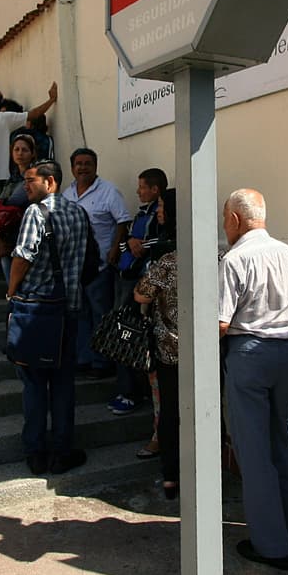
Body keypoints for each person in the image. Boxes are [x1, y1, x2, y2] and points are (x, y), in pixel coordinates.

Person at [220, 188, 288, 572]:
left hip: (250, 353)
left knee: (254, 450)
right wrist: (284, 327)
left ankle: (272, 545)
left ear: (234, 219)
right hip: (286, 352)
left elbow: (222, 322)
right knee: (284, 437)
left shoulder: (234, 259)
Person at [7, 159, 92, 475]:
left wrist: (11, 290)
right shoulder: (78, 213)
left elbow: (23, 256)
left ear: (51, 182)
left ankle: (35, 450)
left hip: (37, 309)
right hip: (69, 308)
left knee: (33, 383)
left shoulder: (36, 212)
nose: (26, 185)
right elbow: (86, 259)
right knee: (63, 384)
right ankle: (61, 450)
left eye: (32, 180)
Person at [63, 148, 131, 379]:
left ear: (96, 166)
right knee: (80, 314)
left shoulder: (108, 191)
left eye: (88, 163)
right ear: (72, 167)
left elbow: (123, 221)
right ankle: (84, 358)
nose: (83, 167)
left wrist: (114, 250)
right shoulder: (67, 194)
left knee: (101, 315)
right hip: (75, 267)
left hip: (100, 265)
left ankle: (102, 363)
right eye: (79, 163)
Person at [132, 188, 180, 499]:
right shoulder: (215, 253)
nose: (158, 210)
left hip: (169, 350)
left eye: (162, 205)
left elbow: (141, 294)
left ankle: (172, 476)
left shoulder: (166, 258)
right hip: (207, 348)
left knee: (170, 412)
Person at [109, 168, 168, 415]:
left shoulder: (162, 216)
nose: (138, 191)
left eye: (142, 187)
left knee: (131, 336)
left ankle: (133, 392)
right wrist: (131, 243)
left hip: (143, 286)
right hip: (125, 280)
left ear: (155, 190)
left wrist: (140, 244)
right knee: (121, 335)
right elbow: (125, 243)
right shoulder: (139, 214)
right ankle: (129, 388)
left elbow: (162, 243)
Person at [0, 134, 38, 283]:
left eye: (25, 150)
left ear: (32, 153)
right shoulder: (12, 177)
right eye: (17, 149)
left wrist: (3, 204)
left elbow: (13, 201)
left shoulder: (34, 176)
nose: (20, 153)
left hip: (26, 232)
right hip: (9, 231)